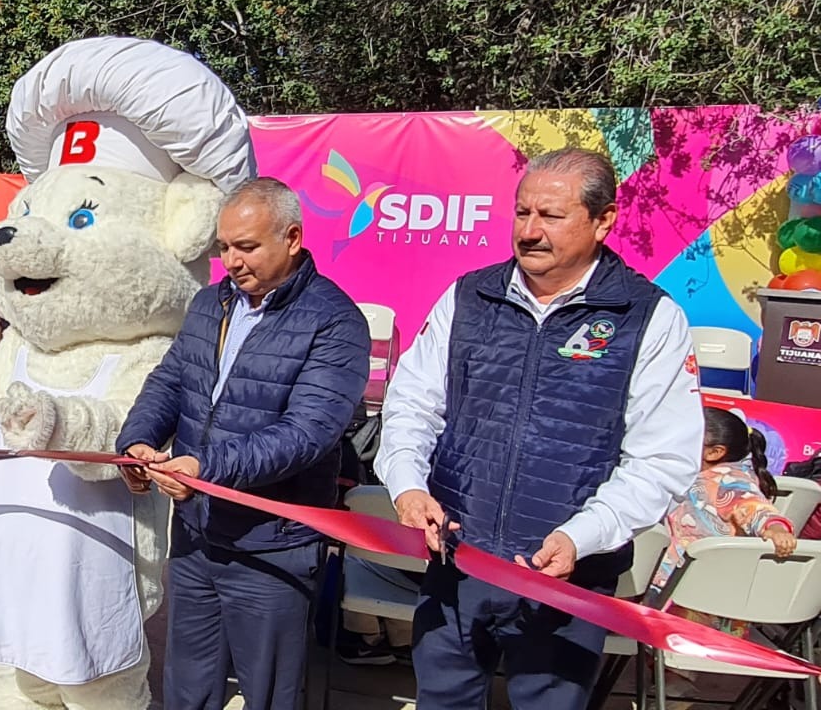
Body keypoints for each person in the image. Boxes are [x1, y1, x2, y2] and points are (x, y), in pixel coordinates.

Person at [374, 148, 702, 710]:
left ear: (603, 221)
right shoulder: (468, 298)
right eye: (522, 213)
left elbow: (661, 460)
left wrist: (583, 535)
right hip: (457, 561)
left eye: (551, 216)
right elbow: (410, 405)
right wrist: (407, 485)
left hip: (565, 578)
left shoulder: (648, 318)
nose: (530, 231)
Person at [117, 178, 372, 709]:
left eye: (247, 247)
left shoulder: (335, 321)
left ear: (293, 238)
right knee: (187, 687)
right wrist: (137, 439)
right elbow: (172, 380)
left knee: (270, 694)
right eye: (224, 246)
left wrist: (204, 468)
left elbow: (306, 434)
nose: (231, 261)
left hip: (271, 545)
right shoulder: (209, 304)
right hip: (194, 535)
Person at [651, 407, 795, 638]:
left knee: (675, 665)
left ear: (715, 452)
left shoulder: (730, 479)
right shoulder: (694, 474)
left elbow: (754, 507)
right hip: (681, 593)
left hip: (700, 606)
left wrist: (775, 528)